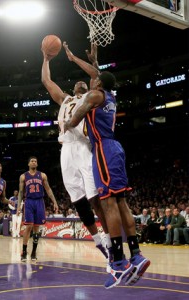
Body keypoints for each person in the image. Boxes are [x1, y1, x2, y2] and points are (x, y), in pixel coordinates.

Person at [64, 67, 150, 289]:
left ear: (99, 84)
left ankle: (119, 263)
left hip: (102, 150)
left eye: (95, 81)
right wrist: (90, 61)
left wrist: (67, 124)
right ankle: (136, 255)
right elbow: (98, 77)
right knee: (121, 203)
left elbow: (76, 118)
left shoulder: (94, 95)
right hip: (115, 148)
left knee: (108, 204)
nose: (92, 84)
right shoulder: (111, 97)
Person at [41, 47, 112, 268]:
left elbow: (96, 77)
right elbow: (46, 81)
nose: (81, 84)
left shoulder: (91, 97)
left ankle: (111, 242)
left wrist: (76, 59)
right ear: (72, 88)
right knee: (77, 198)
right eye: (77, 84)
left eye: (84, 84)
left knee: (94, 197)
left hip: (84, 146)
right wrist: (45, 58)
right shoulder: (65, 99)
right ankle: (98, 241)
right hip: (66, 150)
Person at [17, 156, 59, 262]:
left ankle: (34, 252)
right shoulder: (23, 176)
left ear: (37, 164)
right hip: (29, 202)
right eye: (32, 161)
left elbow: (48, 189)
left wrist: (55, 202)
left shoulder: (42, 175)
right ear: (28, 164)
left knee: (36, 228)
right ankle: (24, 251)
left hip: (39, 202)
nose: (34, 162)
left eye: (35, 161)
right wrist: (18, 207)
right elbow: (21, 192)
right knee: (29, 226)